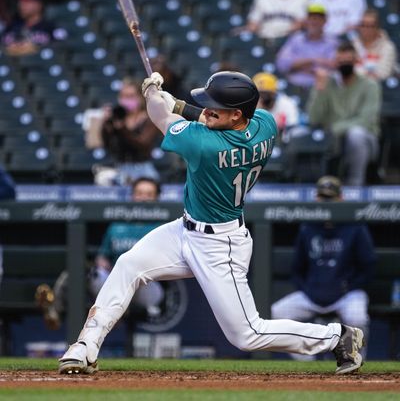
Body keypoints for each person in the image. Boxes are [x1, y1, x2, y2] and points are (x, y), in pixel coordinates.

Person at [58, 69, 365, 376]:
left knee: (247, 334)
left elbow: (160, 118)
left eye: (216, 104)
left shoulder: (203, 145)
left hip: (220, 246)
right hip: (185, 229)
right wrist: (178, 105)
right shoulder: (266, 125)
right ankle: (85, 345)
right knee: (128, 264)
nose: (207, 108)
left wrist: (153, 96)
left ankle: (337, 337)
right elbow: (208, 118)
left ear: (235, 114)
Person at [36, 177, 164, 330]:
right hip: (115, 280)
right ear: (132, 196)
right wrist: (103, 263)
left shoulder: (162, 227)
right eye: (139, 193)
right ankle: (55, 310)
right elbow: (103, 256)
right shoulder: (118, 225)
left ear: (157, 198)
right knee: (89, 272)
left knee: (134, 281)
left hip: (147, 285)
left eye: (149, 195)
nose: (143, 198)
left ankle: (115, 312)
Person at [272, 175, 376, 360]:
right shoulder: (308, 226)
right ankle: (306, 361)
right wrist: (309, 289)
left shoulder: (354, 225)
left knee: (357, 318)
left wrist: (349, 287)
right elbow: (297, 268)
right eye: (322, 198)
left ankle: (353, 361)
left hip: (346, 295)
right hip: (312, 295)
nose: (326, 202)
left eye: (330, 199)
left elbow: (368, 266)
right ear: (316, 199)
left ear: (340, 199)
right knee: (279, 311)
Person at [307, 41, 381, 186]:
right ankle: (317, 186)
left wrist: (335, 128)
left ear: (356, 61)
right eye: (340, 61)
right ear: (334, 62)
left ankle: (355, 184)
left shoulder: (370, 85)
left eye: (348, 61)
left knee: (356, 134)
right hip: (333, 139)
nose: (344, 64)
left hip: (366, 140)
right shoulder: (327, 83)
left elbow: (366, 120)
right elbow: (314, 119)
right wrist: (320, 90)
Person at [100, 77, 161, 185]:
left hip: (142, 168)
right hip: (120, 167)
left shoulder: (149, 118)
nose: (126, 99)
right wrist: (106, 125)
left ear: (140, 97)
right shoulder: (116, 118)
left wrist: (122, 129)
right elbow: (106, 144)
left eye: (130, 96)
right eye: (123, 96)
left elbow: (143, 144)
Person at [275, 3, 338, 89]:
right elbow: (282, 64)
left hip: (320, 89)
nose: (314, 22)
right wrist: (314, 61)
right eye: (311, 18)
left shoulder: (332, 42)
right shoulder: (296, 39)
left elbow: (333, 66)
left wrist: (299, 66)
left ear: (325, 21)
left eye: (318, 19)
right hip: (292, 87)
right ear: (306, 20)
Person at [1, 0, 66, 56]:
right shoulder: (11, 27)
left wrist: (35, 48)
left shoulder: (50, 27)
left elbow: (62, 48)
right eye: (20, 1)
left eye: (26, 1)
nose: (21, 4)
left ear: (39, 4)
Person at [350, 9, 398, 81]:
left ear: (377, 27)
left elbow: (383, 74)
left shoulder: (388, 47)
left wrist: (356, 73)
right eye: (362, 25)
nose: (365, 29)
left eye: (369, 26)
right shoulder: (351, 45)